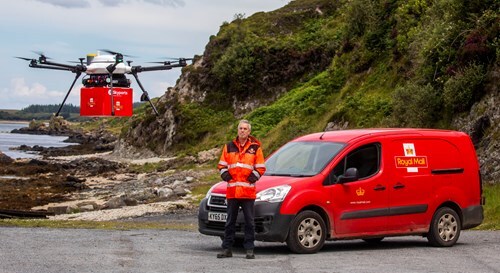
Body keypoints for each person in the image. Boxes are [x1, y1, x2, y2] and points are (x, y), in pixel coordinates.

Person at [216, 119, 266, 259]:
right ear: (237, 130)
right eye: (240, 128)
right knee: (230, 222)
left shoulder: (255, 148)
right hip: (232, 191)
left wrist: (253, 177)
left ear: (249, 131)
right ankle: (227, 249)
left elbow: (261, 166)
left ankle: (249, 249)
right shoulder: (229, 146)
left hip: (247, 192)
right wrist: (225, 175)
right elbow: (221, 164)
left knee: (249, 222)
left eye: (245, 129)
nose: (242, 130)